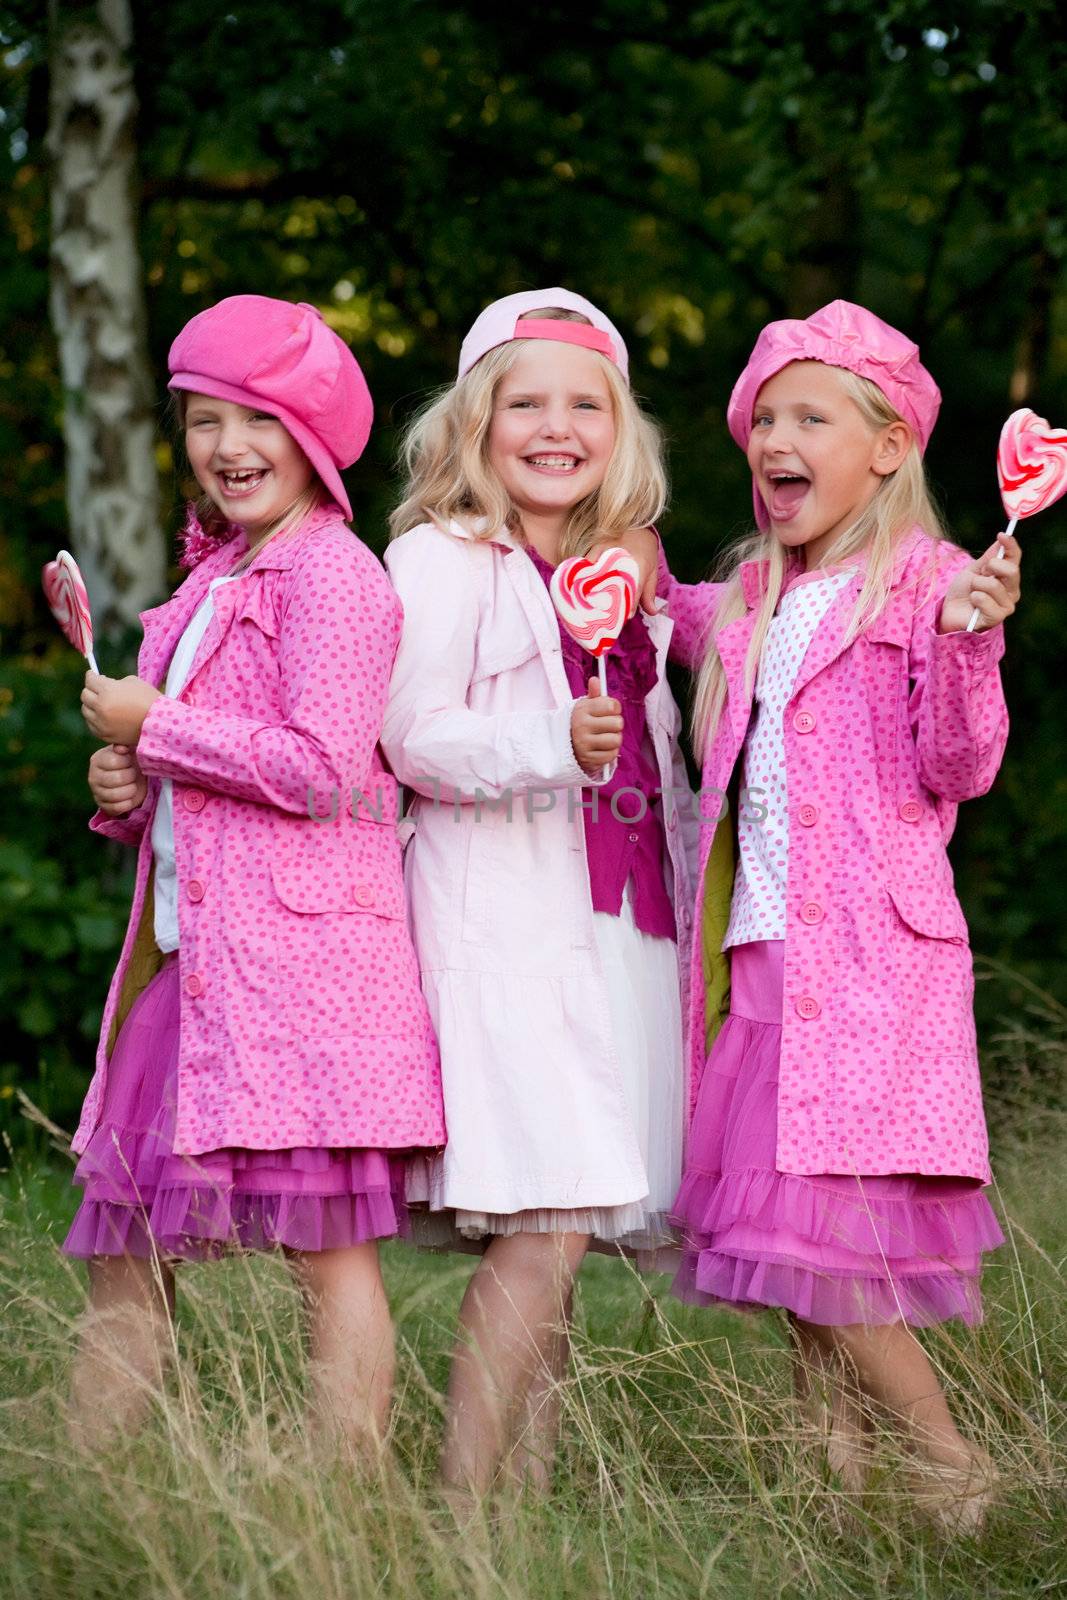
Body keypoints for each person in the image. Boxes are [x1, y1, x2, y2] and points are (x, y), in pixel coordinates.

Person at [630, 300, 1020, 1533]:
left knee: (827, 1245)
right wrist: (610, 548)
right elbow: (664, 604)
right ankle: (829, 1500)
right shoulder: (750, 598)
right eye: (764, 421)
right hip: (761, 954)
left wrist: (968, 641)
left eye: (810, 418)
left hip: (866, 966)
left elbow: (958, 765)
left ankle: (950, 1463)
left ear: (887, 447)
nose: (773, 439)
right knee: (794, 1249)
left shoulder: (927, 585)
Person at [66, 294, 445, 1455]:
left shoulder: (335, 577)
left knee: (325, 1251)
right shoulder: (208, 583)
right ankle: (76, 1477)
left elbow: (319, 765)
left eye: (258, 421)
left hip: (302, 976)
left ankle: (343, 1506)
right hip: (197, 966)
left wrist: (160, 724)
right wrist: (128, 791)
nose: (229, 448)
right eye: (203, 422)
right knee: (125, 1242)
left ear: (313, 435)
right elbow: (192, 782)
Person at [380, 289, 694, 1500]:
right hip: (500, 928)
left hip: (614, 930)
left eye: (585, 405)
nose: (554, 428)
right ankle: (462, 1510)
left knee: (556, 1238)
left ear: (620, 429)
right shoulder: (442, 557)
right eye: (525, 402)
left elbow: (660, 754)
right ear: (476, 421)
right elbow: (412, 736)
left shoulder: (627, 578)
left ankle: (529, 1499)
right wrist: (548, 738)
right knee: (547, 1220)